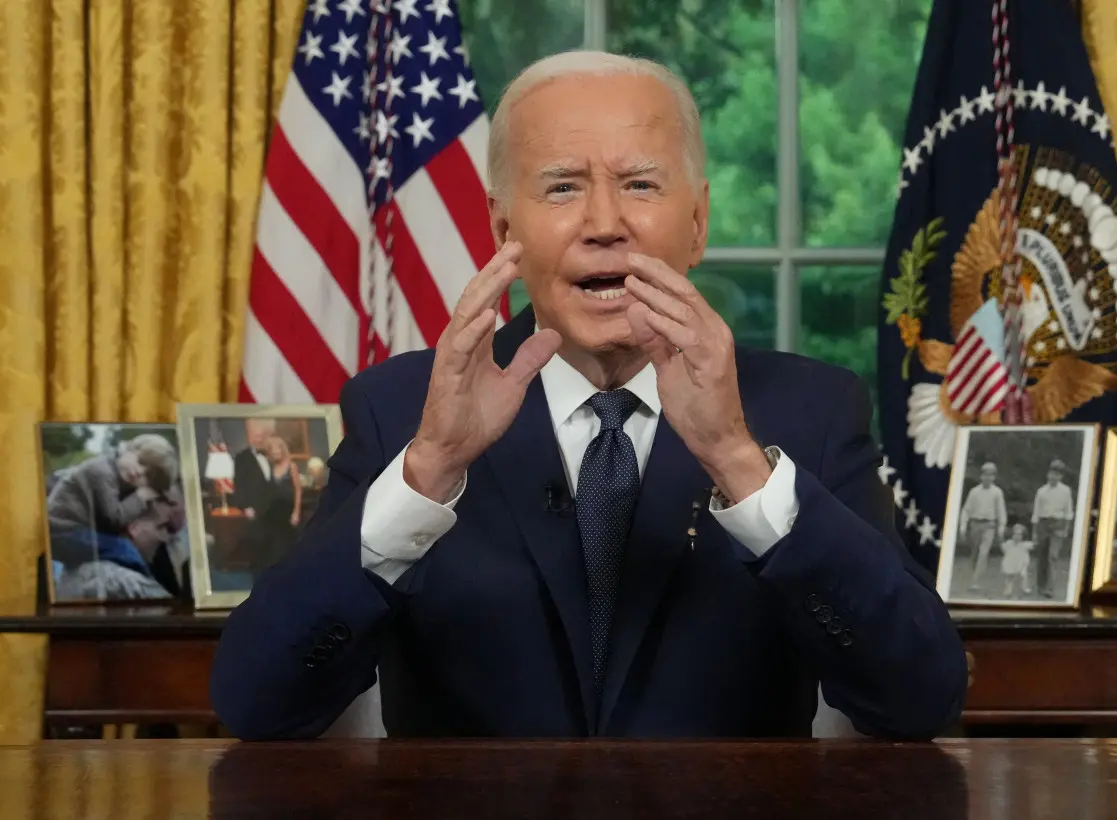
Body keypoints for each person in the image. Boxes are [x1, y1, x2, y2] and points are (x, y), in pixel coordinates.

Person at [210, 51, 966, 742]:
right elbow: (257, 704)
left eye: (640, 185)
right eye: (563, 187)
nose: (606, 225)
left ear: (697, 223)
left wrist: (739, 462)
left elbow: (919, 700)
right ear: (503, 225)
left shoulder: (811, 411)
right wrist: (429, 471)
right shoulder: (401, 410)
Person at [45, 433, 180, 580]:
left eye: (148, 476)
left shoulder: (118, 476)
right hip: (61, 531)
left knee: (120, 548)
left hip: (73, 531)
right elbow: (113, 518)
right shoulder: (102, 471)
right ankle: (145, 585)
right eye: (141, 461)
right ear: (128, 449)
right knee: (124, 549)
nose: (139, 472)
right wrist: (140, 497)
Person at [247, 435, 303, 577]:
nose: (275, 453)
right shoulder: (269, 466)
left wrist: (296, 512)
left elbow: (298, 490)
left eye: (278, 450)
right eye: (272, 451)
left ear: (283, 450)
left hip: (287, 511)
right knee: (270, 544)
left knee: (285, 544)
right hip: (272, 511)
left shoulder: (291, 466)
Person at [958, 462, 1006, 592]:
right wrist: (963, 526)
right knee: (975, 553)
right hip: (975, 524)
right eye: (985, 475)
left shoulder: (997, 492)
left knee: (983, 553)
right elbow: (966, 510)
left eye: (991, 475)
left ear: (994, 477)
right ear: (981, 476)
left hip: (989, 525)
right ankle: (974, 576)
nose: (988, 478)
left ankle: (975, 581)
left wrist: (1001, 528)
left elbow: (1001, 511)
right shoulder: (974, 492)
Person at [1031, 459, 1074, 598]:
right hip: (1043, 524)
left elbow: (1068, 512)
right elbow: (1036, 513)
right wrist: (1035, 532)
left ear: (1061, 476)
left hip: (1058, 523)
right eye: (1051, 473)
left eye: (1057, 474)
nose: (1053, 476)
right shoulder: (1041, 491)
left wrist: (1066, 528)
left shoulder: (1065, 491)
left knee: (1053, 556)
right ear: (1048, 474)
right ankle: (1040, 586)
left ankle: (1050, 588)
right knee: (1042, 556)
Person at [999, 523, 1033, 598]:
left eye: (1019, 535)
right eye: (1015, 534)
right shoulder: (1009, 543)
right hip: (1011, 563)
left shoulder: (1025, 545)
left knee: (1023, 575)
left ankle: (1024, 588)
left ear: (1023, 536)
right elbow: (1003, 548)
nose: (1017, 537)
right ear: (1012, 535)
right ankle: (1008, 589)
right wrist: (1001, 538)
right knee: (1009, 577)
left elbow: (1033, 545)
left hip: (1022, 563)